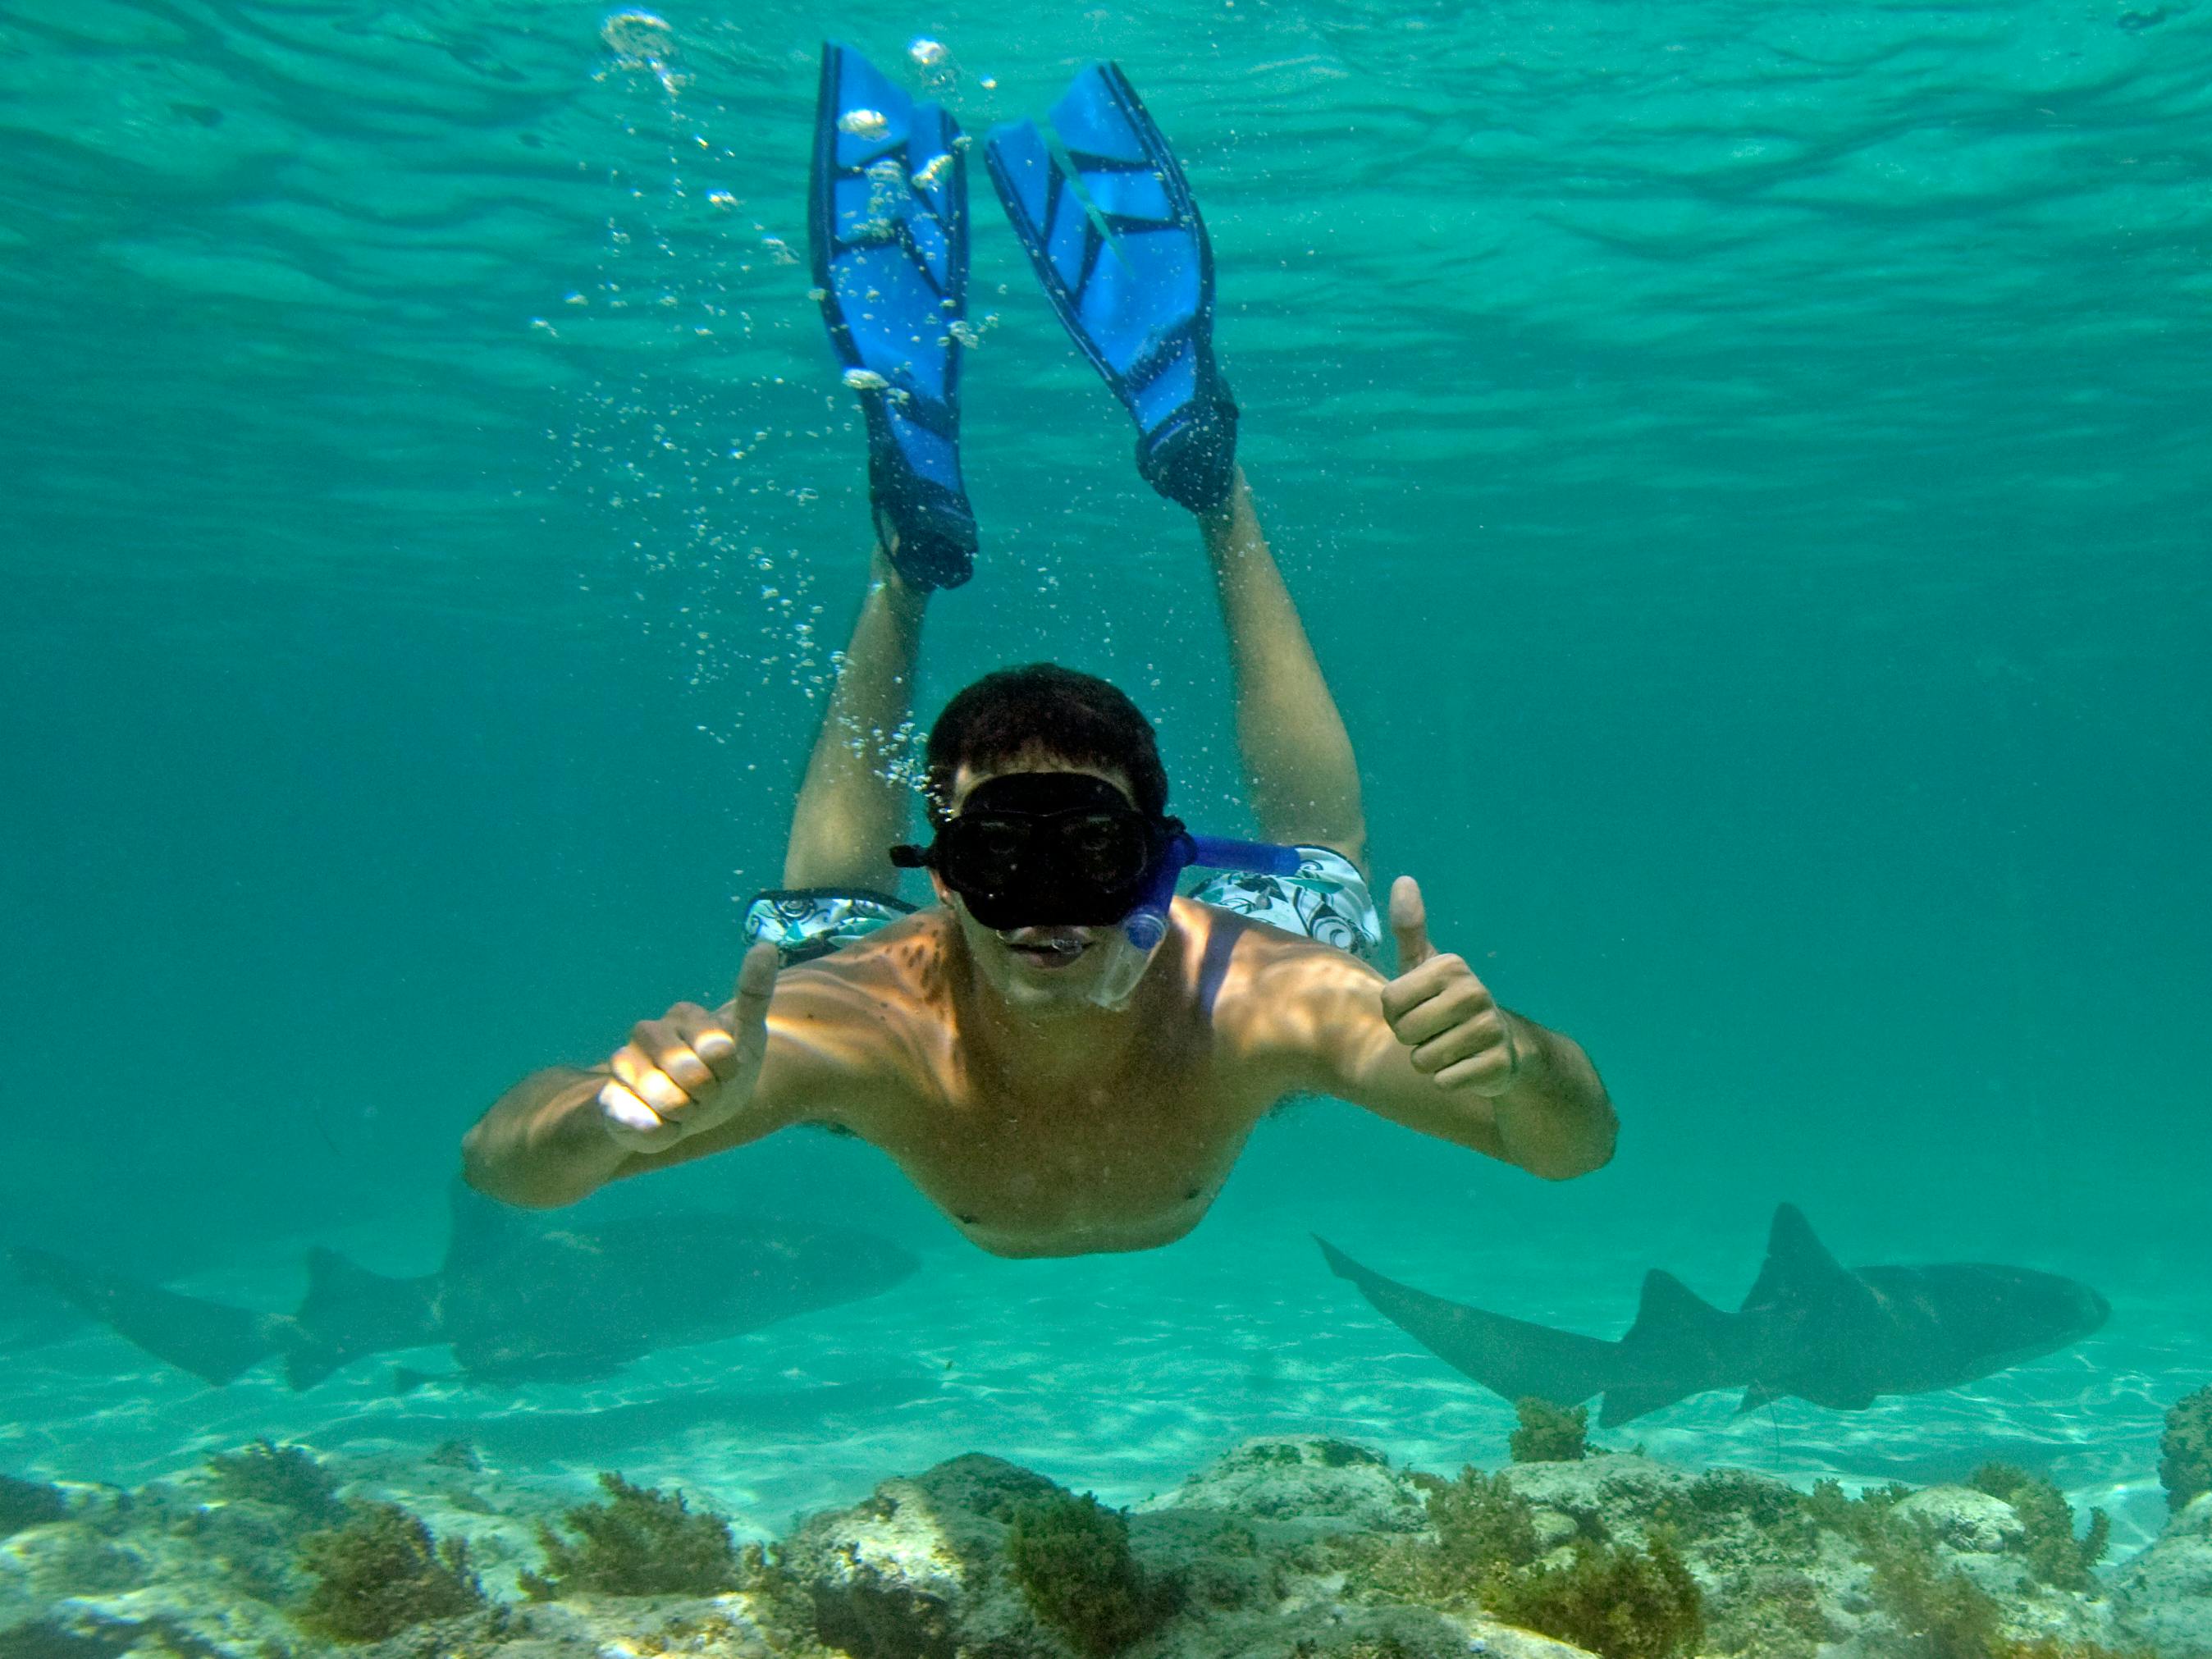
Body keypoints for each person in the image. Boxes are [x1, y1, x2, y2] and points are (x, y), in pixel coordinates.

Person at [461, 49, 1614, 1256]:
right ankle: (937, 557)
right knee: (823, 933)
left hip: (1197, 968)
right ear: (945, 875)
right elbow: (506, 1164)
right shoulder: (837, 1028)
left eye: (1092, 848)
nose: (1047, 906)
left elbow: (1573, 1141)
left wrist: (1517, 1061)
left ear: (1163, 859)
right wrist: (609, 1120)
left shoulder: (1267, 1000)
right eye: (1003, 852)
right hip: (885, 986)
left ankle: (1195, 499)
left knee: (1316, 878)